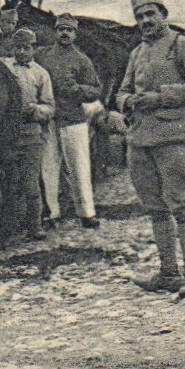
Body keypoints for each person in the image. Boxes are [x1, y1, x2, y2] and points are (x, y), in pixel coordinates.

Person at [116, 0, 185, 298]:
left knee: (182, 205)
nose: (145, 21)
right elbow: (121, 91)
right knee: (155, 208)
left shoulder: (183, 45)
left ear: (164, 15)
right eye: (140, 17)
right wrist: (128, 101)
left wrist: (161, 97)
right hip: (140, 138)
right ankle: (169, 272)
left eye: (151, 15)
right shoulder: (137, 53)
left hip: (172, 137)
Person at [38, 13, 103, 229]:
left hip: (74, 120)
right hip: (49, 120)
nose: (65, 33)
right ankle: (51, 213)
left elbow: (96, 90)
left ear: (75, 34)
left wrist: (78, 90)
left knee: (79, 166)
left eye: (69, 30)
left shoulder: (82, 60)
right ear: (55, 31)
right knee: (48, 166)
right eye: (61, 29)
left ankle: (86, 213)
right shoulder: (42, 55)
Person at [2, 28, 55, 241]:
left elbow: (50, 107)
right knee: (8, 182)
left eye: (26, 48)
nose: (22, 52)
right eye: (18, 48)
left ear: (34, 49)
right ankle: (9, 227)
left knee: (30, 183)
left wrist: (34, 110)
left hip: (32, 135)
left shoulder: (40, 74)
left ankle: (35, 225)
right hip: (8, 134)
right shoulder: (4, 67)